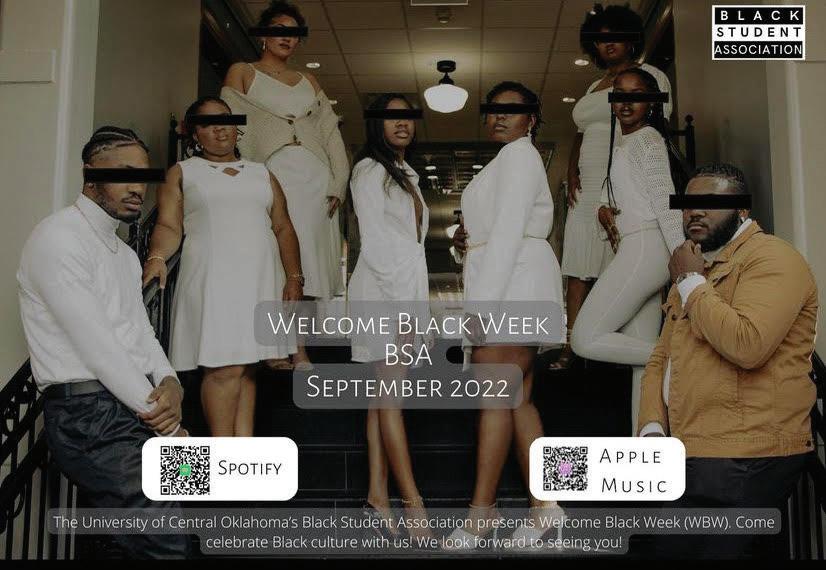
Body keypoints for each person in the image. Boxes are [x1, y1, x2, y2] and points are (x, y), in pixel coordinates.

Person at [17, 126, 189, 558]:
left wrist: (171, 381)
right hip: (89, 414)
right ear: (90, 172)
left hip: (131, 404)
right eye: (125, 173)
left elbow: (141, 333)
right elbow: (98, 348)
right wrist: (169, 425)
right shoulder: (58, 237)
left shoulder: (125, 255)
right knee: (169, 542)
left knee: (180, 516)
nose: (138, 188)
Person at [637, 163, 818, 559]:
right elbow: (661, 358)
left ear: (742, 210)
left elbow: (748, 344)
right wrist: (651, 429)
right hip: (695, 448)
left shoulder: (773, 258)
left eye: (710, 203)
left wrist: (690, 282)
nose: (695, 212)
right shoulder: (697, 267)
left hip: (748, 452)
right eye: (688, 204)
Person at [143, 96, 302, 437]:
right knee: (224, 368)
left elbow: (283, 227)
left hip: (258, 280)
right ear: (194, 134)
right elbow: (169, 225)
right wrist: (156, 257)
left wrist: (294, 277)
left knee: (246, 368)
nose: (220, 129)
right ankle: (222, 452)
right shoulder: (183, 172)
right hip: (213, 280)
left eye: (226, 120)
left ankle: (240, 453)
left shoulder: (262, 173)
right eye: (209, 123)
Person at [449, 82, 564, 547]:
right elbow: (493, 230)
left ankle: (482, 514)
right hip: (515, 280)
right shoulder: (508, 160)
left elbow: (510, 231)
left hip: (512, 285)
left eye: (511, 110)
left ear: (531, 119)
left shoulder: (519, 156)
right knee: (518, 401)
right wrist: (463, 239)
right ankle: (547, 507)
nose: (498, 117)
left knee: (496, 399)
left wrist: (480, 309)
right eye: (493, 110)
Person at [222, 0, 349, 370]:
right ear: (263, 34)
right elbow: (231, 124)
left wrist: (338, 182)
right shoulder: (243, 72)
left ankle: (299, 349)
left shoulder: (309, 80)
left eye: (293, 33)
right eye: (279, 29)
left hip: (314, 179)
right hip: (271, 174)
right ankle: (274, 345)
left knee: (307, 266)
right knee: (274, 259)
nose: (286, 38)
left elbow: (329, 132)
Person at [552, 3, 672, 370]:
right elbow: (580, 133)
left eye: (616, 37)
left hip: (624, 182)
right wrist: (571, 171)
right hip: (590, 183)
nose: (608, 45)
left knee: (620, 259)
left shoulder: (650, 77)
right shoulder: (594, 85)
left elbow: (654, 128)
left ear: (631, 39)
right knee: (578, 261)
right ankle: (573, 344)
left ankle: (604, 341)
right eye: (600, 40)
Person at [570, 68, 683, 432]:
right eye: (620, 93)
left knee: (584, 338)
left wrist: (682, 261)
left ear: (651, 103)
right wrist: (603, 208)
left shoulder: (647, 141)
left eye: (636, 95)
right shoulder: (624, 142)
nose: (626, 102)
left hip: (647, 247)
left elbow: (666, 203)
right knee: (641, 363)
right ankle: (646, 440)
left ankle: (680, 359)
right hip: (638, 247)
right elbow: (619, 189)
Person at [348, 93, 431, 536]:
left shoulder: (404, 173)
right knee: (391, 397)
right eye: (391, 117)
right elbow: (377, 243)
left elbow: (408, 245)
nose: (402, 124)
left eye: (408, 117)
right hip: (383, 294)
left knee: (382, 398)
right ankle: (413, 504)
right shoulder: (370, 170)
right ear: (376, 124)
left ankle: (377, 498)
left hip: (400, 291)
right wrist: (402, 312)